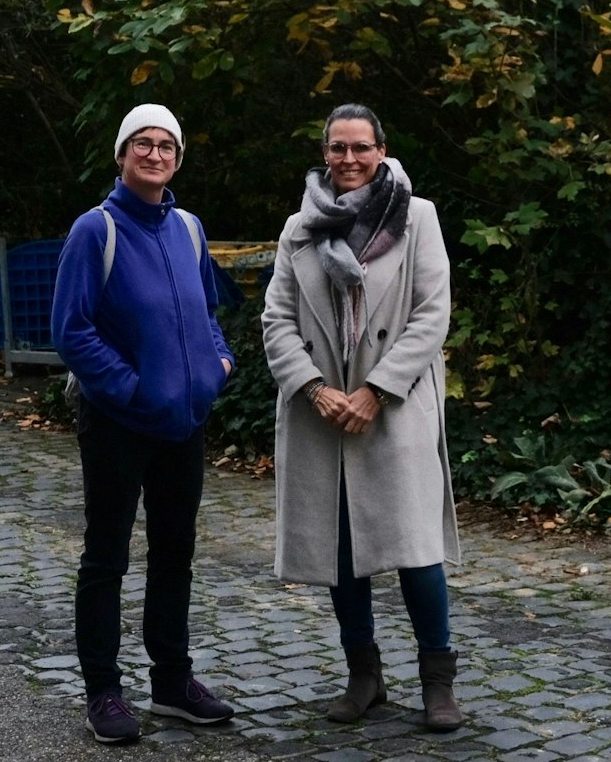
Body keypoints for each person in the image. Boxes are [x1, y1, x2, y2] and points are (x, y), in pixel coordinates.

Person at [262, 103, 464, 731]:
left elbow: (432, 314)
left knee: (416, 549)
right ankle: (364, 676)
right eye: (338, 148)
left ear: (382, 150)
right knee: (338, 549)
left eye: (361, 148)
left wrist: (376, 389)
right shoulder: (299, 228)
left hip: (393, 408)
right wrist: (315, 389)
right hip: (323, 413)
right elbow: (277, 321)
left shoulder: (417, 215)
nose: (349, 160)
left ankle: (438, 682)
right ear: (324, 152)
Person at [52, 103, 236, 744]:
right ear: (122, 155)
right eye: (142, 144)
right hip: (117, 423)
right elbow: (71, 330)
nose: (154, 154)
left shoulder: (187, 227)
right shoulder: (94, 231)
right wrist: (130, 389)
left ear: (177, 158)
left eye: (165, 146)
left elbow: (209, 308)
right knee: (106, 558)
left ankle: (173, 681)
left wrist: (219, 363)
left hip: (183, 420)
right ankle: (103, 691)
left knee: (175, 553)